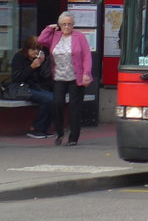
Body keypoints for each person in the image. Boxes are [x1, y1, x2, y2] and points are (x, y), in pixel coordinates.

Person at [39, 12, 94, 146]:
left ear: (73, 25)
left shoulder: (79, 37)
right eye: (64, 24)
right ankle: (59, 132)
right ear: (60, 25)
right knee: (57, 103)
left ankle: (73, 137)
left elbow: (86, 56)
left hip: (76, 77)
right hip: (59, 76)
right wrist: (49, 28)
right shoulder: (55, 36)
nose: (67, 26)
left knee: (74, 108)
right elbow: (40, 40)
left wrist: (87, 73)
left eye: (69, 24)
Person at [10, 36, 54, 139]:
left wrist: (42, 63)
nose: (36, 52)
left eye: (38, 49)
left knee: (55, 98)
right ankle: (36, 128)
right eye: (33, 49)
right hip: (22, 88)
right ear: (26, 49)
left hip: (34, 87)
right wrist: (31, 67)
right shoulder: (19, 57)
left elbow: (43, 77)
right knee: (48, 99)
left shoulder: (37, 59)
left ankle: (43, 129)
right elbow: (17, 78)